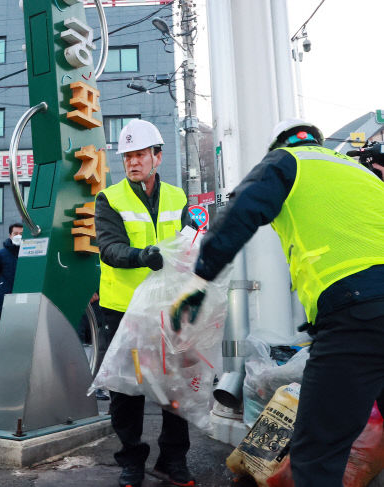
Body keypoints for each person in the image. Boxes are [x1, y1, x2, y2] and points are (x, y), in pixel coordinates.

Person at [170, 119, 384, 487]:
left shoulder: (286, 161)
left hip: (357, 314)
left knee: (316, 455)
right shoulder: (362, 174)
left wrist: (201, 277)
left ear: (279, 144)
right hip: (363, 310)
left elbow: (240, 212)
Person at [95, 119, 197, 487]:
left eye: (140, 154)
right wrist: (143, 255)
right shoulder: (109, 198)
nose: (133, 162)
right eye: (127, 156)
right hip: (123, 308)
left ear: (158, 156)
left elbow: (190, 240)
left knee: (175, 386)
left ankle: (173, 460)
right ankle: (132, 461)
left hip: (169, 306)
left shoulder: (179, 197)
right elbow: (109, 247)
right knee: (126, 389)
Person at [0, 222, 23, 329]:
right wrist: (1, 286)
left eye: (22, 233)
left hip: (25, 298)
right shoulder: (0, 254)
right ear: (10, 235)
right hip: (5, 298)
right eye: (15, 233)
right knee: (6, 329)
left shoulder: (31, 253)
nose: (19, 236)